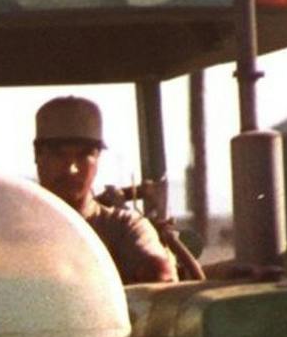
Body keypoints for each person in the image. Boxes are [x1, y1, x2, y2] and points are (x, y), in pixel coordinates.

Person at [32, 95, 187, 285]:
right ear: (37, 155)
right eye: (59, 154)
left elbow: (160, 280)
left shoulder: (123, 228)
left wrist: (155, 269)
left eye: (84, 155)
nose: (72, 169)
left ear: (98, 158)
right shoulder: (10, 227)